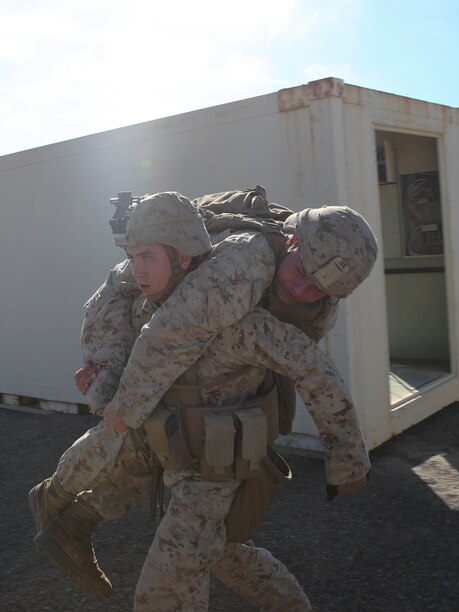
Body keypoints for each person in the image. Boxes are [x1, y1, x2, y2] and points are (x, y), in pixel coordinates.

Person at [30, 191, 377, 608]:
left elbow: (312, 369)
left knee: (190, 569)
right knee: (200, 535)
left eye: (316, 289)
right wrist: (111, 380)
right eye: (301, 271)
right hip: (179, 432)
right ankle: (66, 515)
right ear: (291, 242)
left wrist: (347, 461)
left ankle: (64, 511)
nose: (300, 289)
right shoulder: (233, 273)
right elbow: (157, 330)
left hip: (218, 454)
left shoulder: (264, 321)